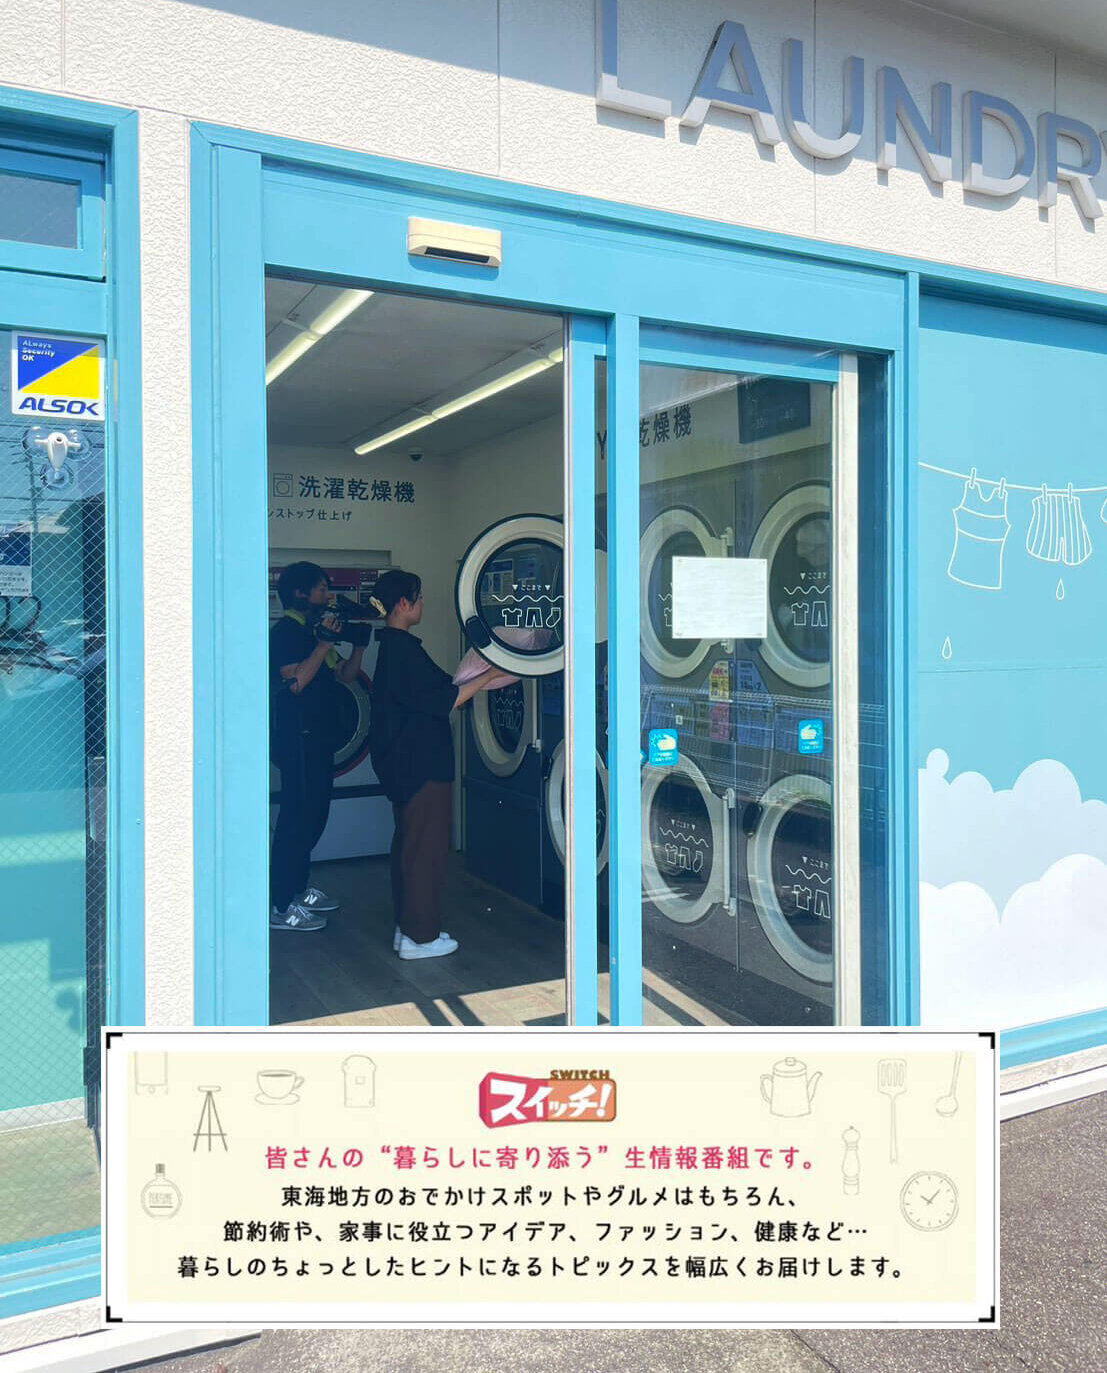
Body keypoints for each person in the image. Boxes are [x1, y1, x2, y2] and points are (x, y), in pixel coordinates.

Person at [368, 569, 500, 960]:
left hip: (405, 766)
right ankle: (420, 937)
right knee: (425, 850)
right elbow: (445, 699)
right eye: (420, 597)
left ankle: (408, 927)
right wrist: (493, 673)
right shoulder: (402, 652)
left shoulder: (394, 649)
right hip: (421, 766)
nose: (423, 603)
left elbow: (442, 688)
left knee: (410, 847)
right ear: (403, 604)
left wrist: (480, 675)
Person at [269, 562, 368, 931]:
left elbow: (345, 676)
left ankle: (297, 889)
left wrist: (358, 647)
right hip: (297, 738)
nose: (328, 596)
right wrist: (324, 643)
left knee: (314, 815)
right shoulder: (285, 633)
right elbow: (295, 683)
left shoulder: (312, 632)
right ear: (300, 593)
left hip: (320, 738)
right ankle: (280, 905)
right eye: (321, 589)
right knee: (296, 818)